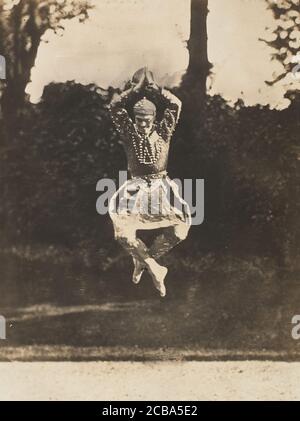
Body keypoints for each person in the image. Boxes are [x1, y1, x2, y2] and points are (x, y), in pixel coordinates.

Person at [108, 67, 191, 297]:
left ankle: (146, 261)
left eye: (147, 121)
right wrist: (134, 90)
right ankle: (154, 267)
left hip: (161, 186)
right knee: (123, 235)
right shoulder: (129, 132)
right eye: (139, 120)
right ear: (134, 119)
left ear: (154, 119)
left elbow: (175, 106)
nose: (143, 125)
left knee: (180, 230)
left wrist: (156, 90)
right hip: (135, 188)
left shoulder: (164, 132)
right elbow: (115, 107)